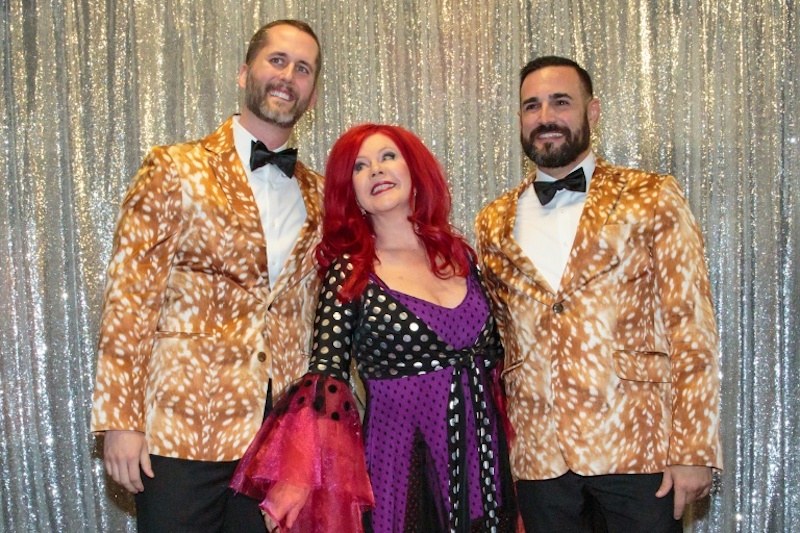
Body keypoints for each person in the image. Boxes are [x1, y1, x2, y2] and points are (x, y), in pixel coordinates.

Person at [90, 20, 324, 532]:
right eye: (277, 60)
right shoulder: (175, 167)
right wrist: (120, 421)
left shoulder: (318, 194)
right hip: (180, 426)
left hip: (273, 439)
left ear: (312, 90)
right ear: (245, 73)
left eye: (302, 68)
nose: (288, 76)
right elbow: (130, 297)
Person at [475, 56, 722, 533]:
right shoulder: (493, 219)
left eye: (560, 102)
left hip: (639, 448)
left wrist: (694, 448)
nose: (545, 115)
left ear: (593, 112)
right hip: (540, 459)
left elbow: (691, 325)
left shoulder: (652, 195)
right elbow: (504, 338)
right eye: (532, 105)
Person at [230, 123, 518, 532]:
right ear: (352, 193)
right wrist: (296, 481)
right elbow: (326, 378)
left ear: (414, 169)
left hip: (483, 463)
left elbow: (497, 365)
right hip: (402, 465)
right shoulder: (350, 271)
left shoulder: (461, 256)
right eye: (360, 167)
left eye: (387, 157)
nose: (377, 171)